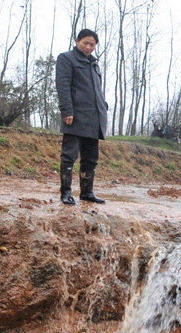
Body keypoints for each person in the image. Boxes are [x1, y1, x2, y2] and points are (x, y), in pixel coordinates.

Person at [55, 29, 108, 205]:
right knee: (69, 156)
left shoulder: (94, 64)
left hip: (94, 118)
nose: (88, 47)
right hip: (76, 115)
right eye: (85, 42)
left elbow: (96, 90)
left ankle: (87, 192)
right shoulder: (66, 58)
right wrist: (67, 110)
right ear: (77, 40)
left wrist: (103, 107)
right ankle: (66, 192)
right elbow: (63, 86)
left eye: (92, 44)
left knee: (91, 158)